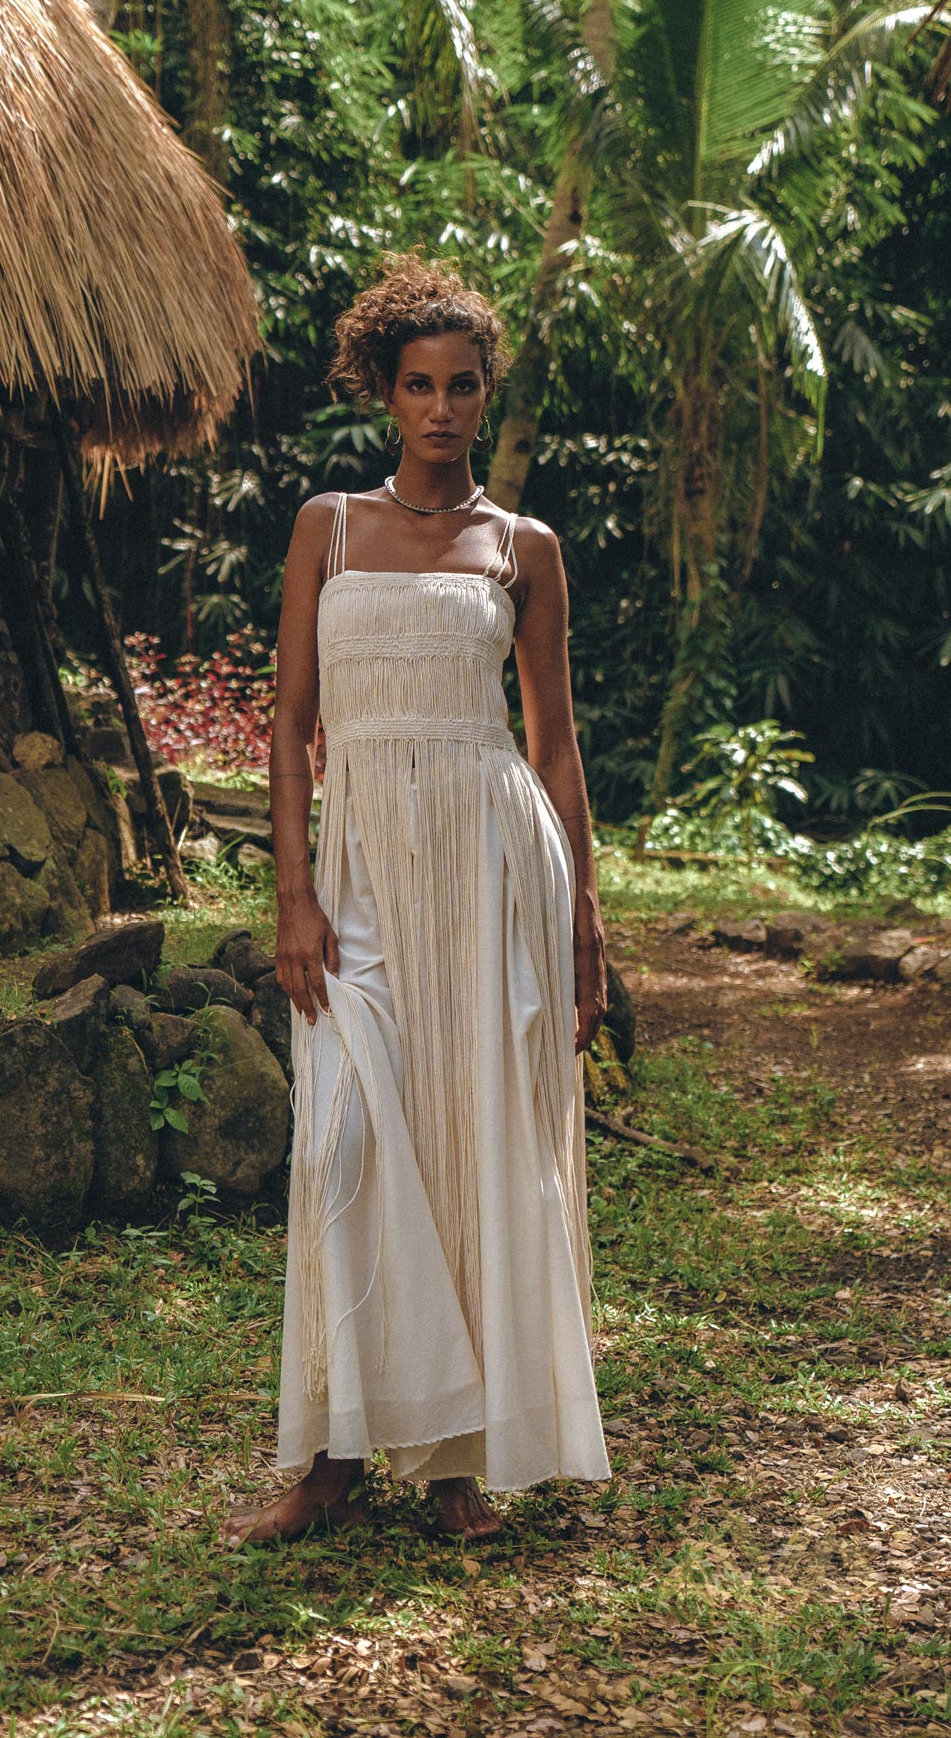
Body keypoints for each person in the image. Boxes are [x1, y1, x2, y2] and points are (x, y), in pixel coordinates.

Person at [222, 255, 612, 1548]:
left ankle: (455, 1458)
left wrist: (585, 925)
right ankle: (330, 1454)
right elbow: (286, 729)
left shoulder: (523, 548)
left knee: (472, 1146)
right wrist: (290, 894)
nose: (441, 408)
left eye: (461, 386)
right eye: (417, 386)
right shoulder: (325, 528)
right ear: (382, 395)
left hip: (495, 865)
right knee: (339, 1145)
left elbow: (552, 747)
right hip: (361, 877)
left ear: (485, 393)